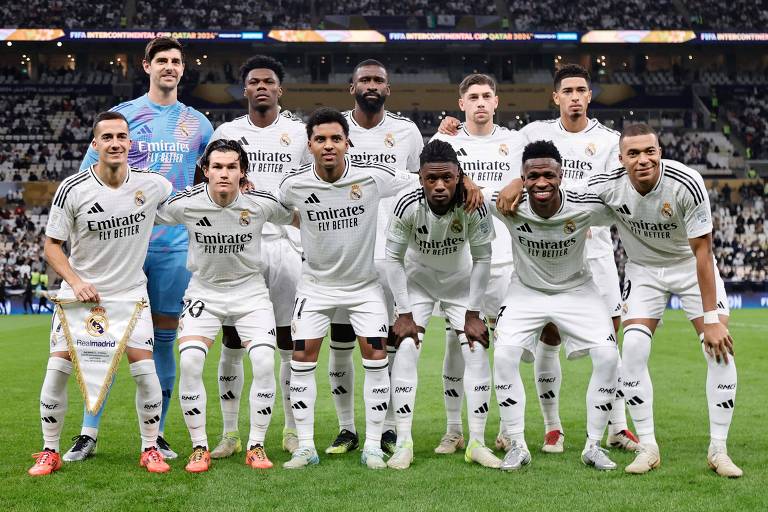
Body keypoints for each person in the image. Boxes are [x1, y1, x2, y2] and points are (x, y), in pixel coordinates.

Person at [439, 64, 636, 454]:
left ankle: (617, 425)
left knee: (611, 340)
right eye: (568, 90)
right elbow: (513, 166)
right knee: (540, 337)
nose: (575, 97)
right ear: (556, 97)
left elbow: (620, 189)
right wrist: (454, 129)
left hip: (593, 250)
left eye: (582, 90)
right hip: (531, 251)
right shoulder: (533, 134)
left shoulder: (611, 140)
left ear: (590, 95)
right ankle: (551, 427)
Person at [66, 37, 213, 462]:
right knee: (103, 341)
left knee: (164, 341)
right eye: (161, 60)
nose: (169, 67)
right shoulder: (124, 118)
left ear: (183, 70)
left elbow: (209, 180)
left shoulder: (198, 124)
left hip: (175, 249)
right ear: (146, 66)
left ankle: (159, 433)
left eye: (176, 61)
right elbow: (87, 181)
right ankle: (88, 432)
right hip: (120, 249)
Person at [586, 123, 741, 477]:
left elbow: (703, 252)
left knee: (718, 348)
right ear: (621, 158)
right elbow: (565, 196)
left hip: (689, 267)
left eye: (650, 151)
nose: (644, 159)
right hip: (643, 271)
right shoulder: (609, 186)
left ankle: (719, 449)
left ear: (660, 151)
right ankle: (648, 445)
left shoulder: (685, 182)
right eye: (634, 153)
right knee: (634, 348)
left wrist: (713, 320)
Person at [28, 111, 174, 476]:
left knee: (145, 373)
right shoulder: (73, 188)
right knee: (56, 370)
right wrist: (75, 281)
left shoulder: (153, 185)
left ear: (130, 143)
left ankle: (149, 448)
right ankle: (49, 450)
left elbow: (187, 201)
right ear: (95, 145)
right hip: (81, 298)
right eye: (107, 137)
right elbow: (51, 247)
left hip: (129, 294)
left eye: (121, 137)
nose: (115, 143)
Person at [276, 107, 422, 469]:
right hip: (314, 288)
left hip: (364, 288)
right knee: (301, 360)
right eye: (321, 140)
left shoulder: (372, 178)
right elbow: (277, 211)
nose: (329, 146)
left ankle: (373, 445)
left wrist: (465, 185)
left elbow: (422, 179)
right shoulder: (293, 184)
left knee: (376, 358)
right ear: (309, 145)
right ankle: (305, 447)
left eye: (336, 139)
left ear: (347, 143)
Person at [155, 139, 295, 472]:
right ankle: (199, 447)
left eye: (231, 167)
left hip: (250, 293)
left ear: (243, 172)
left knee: (263, 360)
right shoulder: (186, 203)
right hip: (204, 292)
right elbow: (147, 214)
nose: (223, 173)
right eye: (217, 166)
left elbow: (300, 217)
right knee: (189, 361)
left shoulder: (261, 203)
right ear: (205, 170)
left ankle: (256, 445)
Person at [489, 140, 620, 472]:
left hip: (577, 289)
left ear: (561, 176)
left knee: (608, 356)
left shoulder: (584, 205)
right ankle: (517, 444)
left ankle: (593, 445)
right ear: (522, 177)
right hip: (526, 291)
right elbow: (466, 187)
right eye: (532, 176)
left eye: (549, 174)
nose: (541, 183)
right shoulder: (507, 203)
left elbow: (624, 199)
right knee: (503, 355)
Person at [206, 55, 311, 458]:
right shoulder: (228, 131)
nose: (262, 86)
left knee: (287, 340)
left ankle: (289, 428)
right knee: (232, 340)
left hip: (285, 245)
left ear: (279, 90)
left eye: (269, 80)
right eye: (254, 81)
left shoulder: (299, 133)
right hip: (238, 246)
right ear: (245, 90)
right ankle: (231, 434)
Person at [325, 58, 424, 456]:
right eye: (364, 79)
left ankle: (384, 427)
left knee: (388, 343)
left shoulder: (406, 132)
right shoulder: (335, 132)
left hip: (392, 253)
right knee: (342, 342)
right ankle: (347, 428)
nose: (371, 85)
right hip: (341, 253)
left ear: (388, 88)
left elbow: (419, 182)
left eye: (378, 80)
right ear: (352, 87)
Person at [385, 140, 499, 470]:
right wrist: (404, 312)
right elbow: (393, 258)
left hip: (460, 285)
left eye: (447, 179)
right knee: (406, 347)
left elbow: (483, 259)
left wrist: (474, 314)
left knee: (475, 349)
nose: (439, 186)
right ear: (419, 178)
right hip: (418, 284)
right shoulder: (407, 203)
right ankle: (404, 441)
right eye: (431, 179)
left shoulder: (473, 204)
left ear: (458, 176)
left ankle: (476, 441)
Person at [431, 73, 524, 454]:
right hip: (458, 261)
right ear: (462, 102)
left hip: (504, 259)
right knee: (458, 347)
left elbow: (528, 180)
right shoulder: (445, 141)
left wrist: (518, 181)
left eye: (488, 95)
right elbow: (429, 184)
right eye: (474, 96)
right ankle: (454, 429)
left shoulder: (515, 142)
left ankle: (506, 427)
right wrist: (463, 178)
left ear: (497, 102)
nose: (481, 102)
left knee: (505, 348)